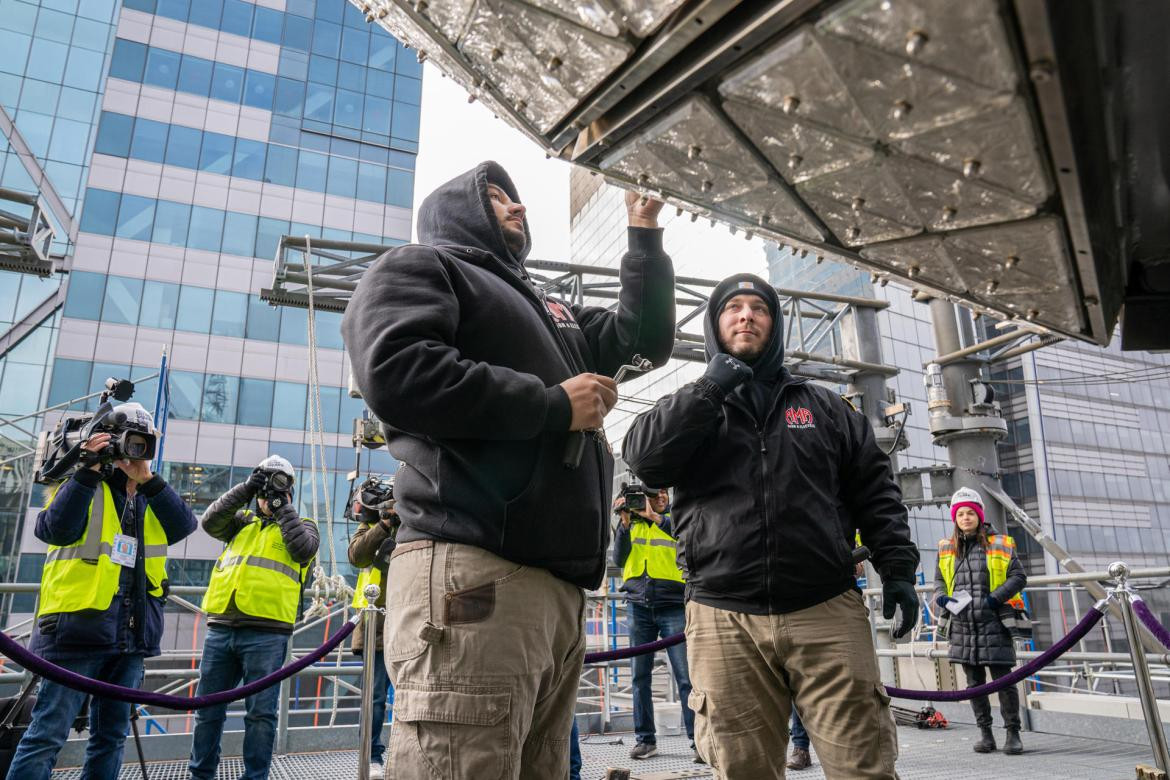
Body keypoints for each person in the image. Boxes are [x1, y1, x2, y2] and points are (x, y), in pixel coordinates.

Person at [341, 161, 676, 778]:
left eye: (516, 198)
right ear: (457, 210)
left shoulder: (550, 310)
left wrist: (643, 234)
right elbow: (396, 371)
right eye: (495, 197)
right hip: (472, 568)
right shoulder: (423, 266)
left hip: (553, 589)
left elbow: (643, 340)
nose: (517, 206)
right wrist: (550, 405)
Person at [623, 273, 921, 779]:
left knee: (864, 766)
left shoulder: (824, 406)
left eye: (758, 308)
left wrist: (897, 567)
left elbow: (875, 491)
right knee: (742, 770)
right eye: (733, 307)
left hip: (825, 609)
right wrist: (711, 386)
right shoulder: (694, 406)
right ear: (716, 325)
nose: (746, 316)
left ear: (775, 324)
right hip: (722, 617)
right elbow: (645, 460)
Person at [7, 404, 197, 780]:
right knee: (47, 734)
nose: (134, 451)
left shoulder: (148, 496)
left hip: (129, 638)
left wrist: (148, 479)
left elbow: (184, 525)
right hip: (75, 632)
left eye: (143, 444)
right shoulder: (80, 483)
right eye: (129, 443)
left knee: (110, 737)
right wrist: (89, 468)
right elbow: (54, 530)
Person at [189, 455, 319, 780]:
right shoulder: (241, 521)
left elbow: (303, 550)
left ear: (290, 491)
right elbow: (209, 522)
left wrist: (282, 507)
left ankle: (255, 777)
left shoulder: (304, 526)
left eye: (276, 489)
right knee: (208, 710)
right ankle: (200, 775)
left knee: (260, 714)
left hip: (268, 633)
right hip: (221, 627)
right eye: (265, 490)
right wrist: (248, 487)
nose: (267, 498)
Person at [932, 487, 1027, 756]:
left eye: (970, 513)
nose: (965, 517)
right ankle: (985, 734)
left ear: (979, 516)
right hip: (962, 624)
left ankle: (1013, 733)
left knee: (1003, 682)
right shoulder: (946, 548)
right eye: (960, 514)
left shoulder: (1001, 543)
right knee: (974, 684)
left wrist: (993, 600)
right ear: (955, 518)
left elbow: (1018, 577)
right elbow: (939, 580)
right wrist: (941, 598)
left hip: (994, 621)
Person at [612, 487, 696, 761]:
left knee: (687, 678)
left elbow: (685, 539)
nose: (647, 501)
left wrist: (656, 517)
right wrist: (624, 523)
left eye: (654, 494)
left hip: (673, 605)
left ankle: (699, 742)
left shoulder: (676, 516)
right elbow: (619, 559)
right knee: (639, 678)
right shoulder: (631, 522)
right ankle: (645, 740)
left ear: (664, 495)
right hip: (638, 605)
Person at [347, 476, 399, 779]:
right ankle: (372, 757)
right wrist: (384, 525)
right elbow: (357, 555)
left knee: (409, 695)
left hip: (406, 618)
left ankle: (406, 754)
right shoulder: (370, 528)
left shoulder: (412, 525)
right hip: (375, 624)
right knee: (375, 698)